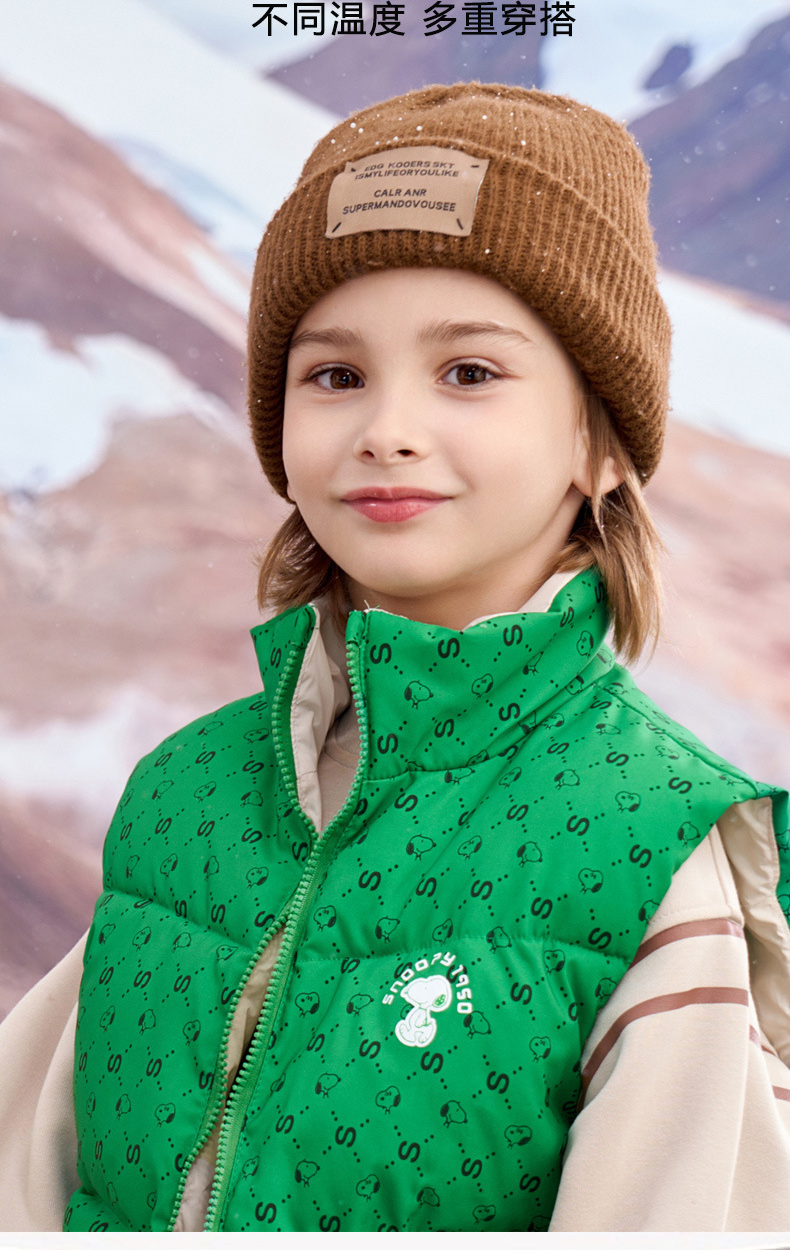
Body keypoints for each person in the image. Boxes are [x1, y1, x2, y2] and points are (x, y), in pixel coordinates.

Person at [1, 82, 789, 1233]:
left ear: (602, 444)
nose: (387, 430)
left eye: (468, 373)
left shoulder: (646, 844)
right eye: (335, 376)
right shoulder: (185, 794)